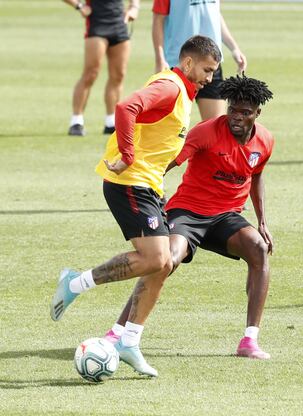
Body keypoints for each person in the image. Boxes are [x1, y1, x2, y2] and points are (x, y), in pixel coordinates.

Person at [50, 35, 222, 377]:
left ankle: (129, 340)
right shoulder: (171, 87)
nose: (209, 78)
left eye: (213, 72)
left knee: (163, 265)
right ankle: (75, 283)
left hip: (149, 185)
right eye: (206, 70)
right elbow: (126, 107)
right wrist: (127, 155)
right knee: (155, 259)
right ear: (188, 63)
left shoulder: (183, 92)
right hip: (129, 183)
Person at [105, 74, 274, 360]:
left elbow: (256, 176)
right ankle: (118, 332)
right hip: (188, 212)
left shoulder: (265, 140)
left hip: (226, 217)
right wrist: (143, 185)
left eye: (244, 113)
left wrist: (262, 221)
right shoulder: (205, 131)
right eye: (232, 109)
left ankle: (249, 341)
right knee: (165, 260)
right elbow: (168, 162)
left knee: (258, 250)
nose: (236, 117)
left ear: (257, 113)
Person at [152, 0, 247, 121]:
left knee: (215, 126)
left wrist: (234, 48)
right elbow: (158, 20)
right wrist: (160, 58)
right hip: (180, 65)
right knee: (172, 126)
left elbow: (215, 14)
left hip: (210, 65)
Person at [63, 0, 140, 136]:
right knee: (91, 73)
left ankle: (111, 122)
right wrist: (79, 6)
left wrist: (134, 7)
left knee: (118, 75)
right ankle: (76, 121)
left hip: (120, 22)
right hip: (97, 23)